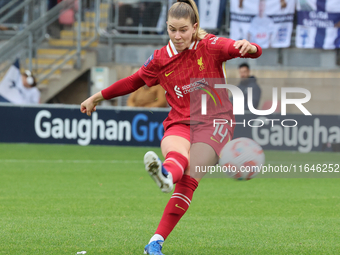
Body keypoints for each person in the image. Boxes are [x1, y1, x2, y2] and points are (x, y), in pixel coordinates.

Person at [80, 0, 262, 254]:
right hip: (179, 120)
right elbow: (133, 81)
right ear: (166, 28)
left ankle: (159, 228)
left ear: (194, 27)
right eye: (172, 29)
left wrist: (249, 46)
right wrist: (96, 97)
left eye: (183, 30)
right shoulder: (160, 59)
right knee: (176, 154)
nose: (177, 36)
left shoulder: (210, 45)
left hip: (215, 123)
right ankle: (163, 189)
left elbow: (249, 50)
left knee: (187, 180)